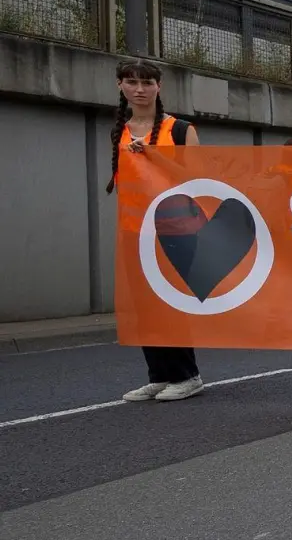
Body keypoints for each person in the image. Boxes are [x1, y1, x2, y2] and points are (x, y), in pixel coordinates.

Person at [108, 59, 205, 403]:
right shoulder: (119, 129)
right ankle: (159, 375)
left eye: (147, 82)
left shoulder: (179, 130)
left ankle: (187, 375)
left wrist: (153, 157)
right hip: (136, 230)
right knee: (144, 306)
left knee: (170, 303)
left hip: (176, 228)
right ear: (120, 85)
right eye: (132, 82)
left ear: (158, 87)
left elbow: (197, 178)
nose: (139, 89)